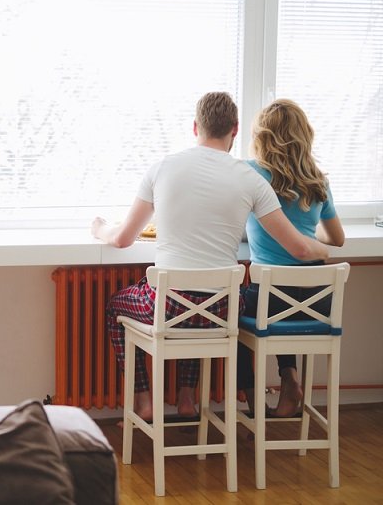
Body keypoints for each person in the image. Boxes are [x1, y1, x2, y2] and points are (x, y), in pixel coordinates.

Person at [91, 91, 330, 421]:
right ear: (235, 129)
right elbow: (300, 248)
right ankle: (186, 399)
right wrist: (324, 249)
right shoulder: (250, 179)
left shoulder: (162, 168)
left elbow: (121, 239)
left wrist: (100, 228)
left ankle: (144, 400)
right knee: (202, 303)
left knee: (120, 304)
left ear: (195, 127)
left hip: (168, 307)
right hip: (222, 311)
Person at [238, 99, 345, 418]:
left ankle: (256, 406)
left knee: (233, 314)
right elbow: (337, 238)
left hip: (272, 297)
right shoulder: (318, 179)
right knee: (279, 305)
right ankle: (289, 380)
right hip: (317, 299)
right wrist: (306, 235)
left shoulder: (252, 172)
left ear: (262, 136)